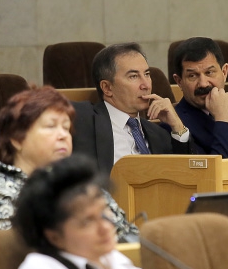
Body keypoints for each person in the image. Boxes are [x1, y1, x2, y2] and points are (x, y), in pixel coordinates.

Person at [10, 154, 169, 269]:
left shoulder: (112, 259)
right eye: (88, 221)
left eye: (104, 212)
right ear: (54, 236)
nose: (105, 226)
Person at [0, 86, 139, 242]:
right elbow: (5, 258)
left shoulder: (84, 185)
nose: (63, 135)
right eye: (51, 126)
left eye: (66, 128)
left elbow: (131, 239)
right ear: (17, 138)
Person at [72, 42, 192, 175]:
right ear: (107, 88)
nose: (146, 85)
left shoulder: (159, 134)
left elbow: (186, 175)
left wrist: (178, 126)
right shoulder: (82, 118)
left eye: (147, 74)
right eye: (133, 76)